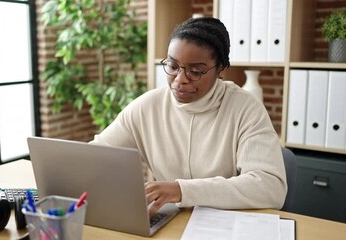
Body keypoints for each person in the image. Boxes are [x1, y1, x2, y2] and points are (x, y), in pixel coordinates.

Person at [90, 17, 287, 215]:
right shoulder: (147, 107)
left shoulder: (246, 108)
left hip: (228, 223)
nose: (180, 80)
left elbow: (271, 188)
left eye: (196, 71)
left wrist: (181, 190)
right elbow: (93, 158)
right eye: (173, 66)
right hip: (171, 221)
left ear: (220, 69)